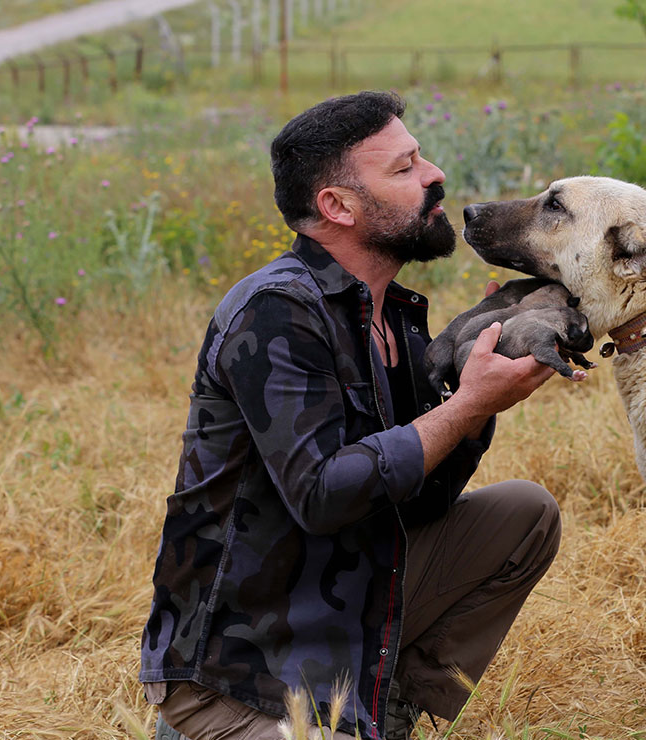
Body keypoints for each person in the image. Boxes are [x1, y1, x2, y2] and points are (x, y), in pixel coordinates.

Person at [139, 90, 562, 740]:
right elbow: (322, 495)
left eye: (420, 158)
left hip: (338, 621)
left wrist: (474, 400)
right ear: (336, 206)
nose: (433, 177)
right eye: (403, 169)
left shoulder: (391, 316)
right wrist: (471, 402)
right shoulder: (275, 311)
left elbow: (422, 501)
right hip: (240, 680)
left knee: (524, 516)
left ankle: (384, 717)